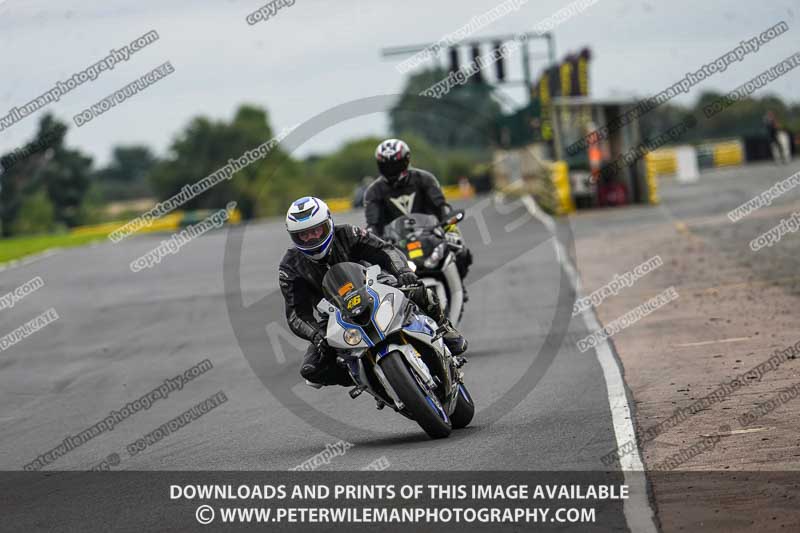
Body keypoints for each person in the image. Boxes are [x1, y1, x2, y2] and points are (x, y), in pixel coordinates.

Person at [279, 196, 468, 387]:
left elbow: (385, 250)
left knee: (417, 290)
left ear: (328, 224)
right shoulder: (290, 266)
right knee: (312, 371)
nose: (312, 238)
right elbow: (295, 314)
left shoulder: (348, 234)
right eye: (304, 235)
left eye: (316, 230)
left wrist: (402, 271)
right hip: (333, 315)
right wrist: (316, 334)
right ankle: (365, 379)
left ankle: (444, 328)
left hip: (374, 286)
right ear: (294, 237)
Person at [364, 138, 473, 280]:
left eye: (395, 164)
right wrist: (375, 242)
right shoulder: (374, 191)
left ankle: (459, 286)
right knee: (377, 270)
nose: (391, 169)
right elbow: (373, 223)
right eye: (387, 165)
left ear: (406, 161)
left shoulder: (424, 178)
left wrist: (448, 226)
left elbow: (440, 206)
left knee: (460, 249)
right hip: (396, 243)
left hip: (431, 234)